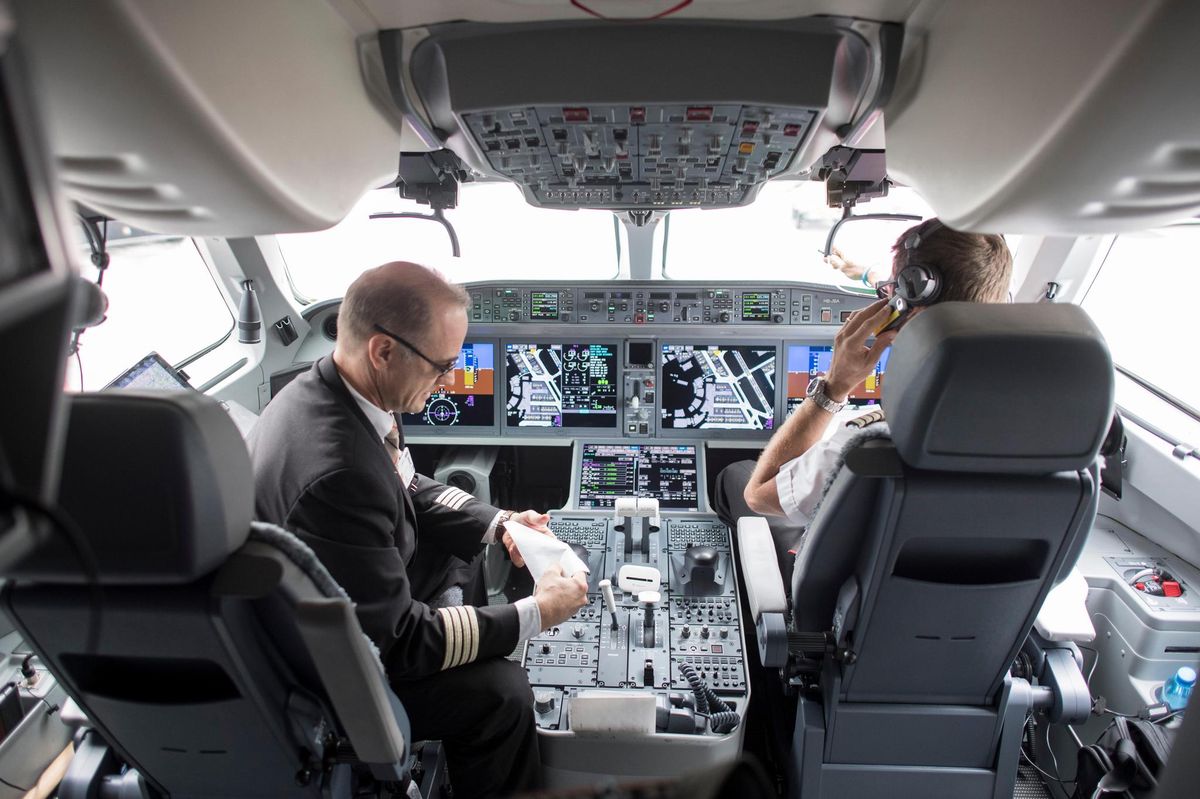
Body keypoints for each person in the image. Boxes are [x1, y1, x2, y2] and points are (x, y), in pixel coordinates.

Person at [248, 261, 588, 798]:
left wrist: (498, 523)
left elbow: (407, 485)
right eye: (442, 365)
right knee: (503, 692)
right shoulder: (340, 472)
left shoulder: (347, 391)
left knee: (461, 552)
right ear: (383, 350)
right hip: (331, 673)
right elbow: (401, 644)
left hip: (339, 597)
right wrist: (535, 614)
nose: (449, 380)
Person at [714, 220, 1013, 568]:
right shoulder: (1054, 434)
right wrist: (866, 274)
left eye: (894, 291)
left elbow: (758, 496)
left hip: (844, 608)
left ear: (907, 299)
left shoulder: (872, 442)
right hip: (981, 609)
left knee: (738, 475)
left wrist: (834, 388)